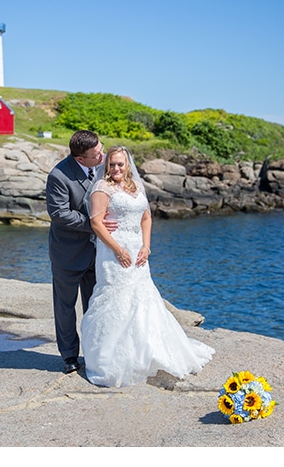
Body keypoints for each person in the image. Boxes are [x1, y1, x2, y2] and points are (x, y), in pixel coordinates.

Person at [80, 146, 215, 387]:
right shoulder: (102, 188)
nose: (116, 168)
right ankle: (110, 358)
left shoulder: (136, 187)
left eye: (120, 164)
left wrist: (146, 246)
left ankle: (148, 350)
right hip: (113, 251)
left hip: (137, 250)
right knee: (115, 298)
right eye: (112, 164)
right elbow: (96, 224)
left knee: (143, 297)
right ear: (106, 165)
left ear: (128, 165)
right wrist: (118, 249)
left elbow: (146, 218)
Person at [46, 130, 115, 374]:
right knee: (65, 308)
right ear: (79, 159)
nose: (102, 155)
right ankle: (69, 356)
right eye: (96, 154)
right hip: (67, 254)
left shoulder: (102, 166)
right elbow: (58, 213)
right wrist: (94, 224)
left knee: (95, 305)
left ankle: (95, 352)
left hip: (97, 253)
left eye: (101, 148)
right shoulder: (58, 176)